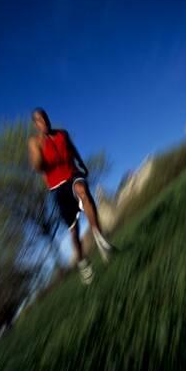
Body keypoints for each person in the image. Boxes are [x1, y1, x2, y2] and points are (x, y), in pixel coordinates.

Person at [28, 108, 113, 285]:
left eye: (45, 118)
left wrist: (82, 166)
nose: (44, 122)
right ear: (35, 124)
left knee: (83, 191)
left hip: (72, 175)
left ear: (48, 119)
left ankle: (100, 239)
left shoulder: (62, 134)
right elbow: (37, 166)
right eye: (39, 121)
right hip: (57, 188)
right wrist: (39, 150)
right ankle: (82, 262)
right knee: (74, 231)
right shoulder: (35, 142)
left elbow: (73, 151)